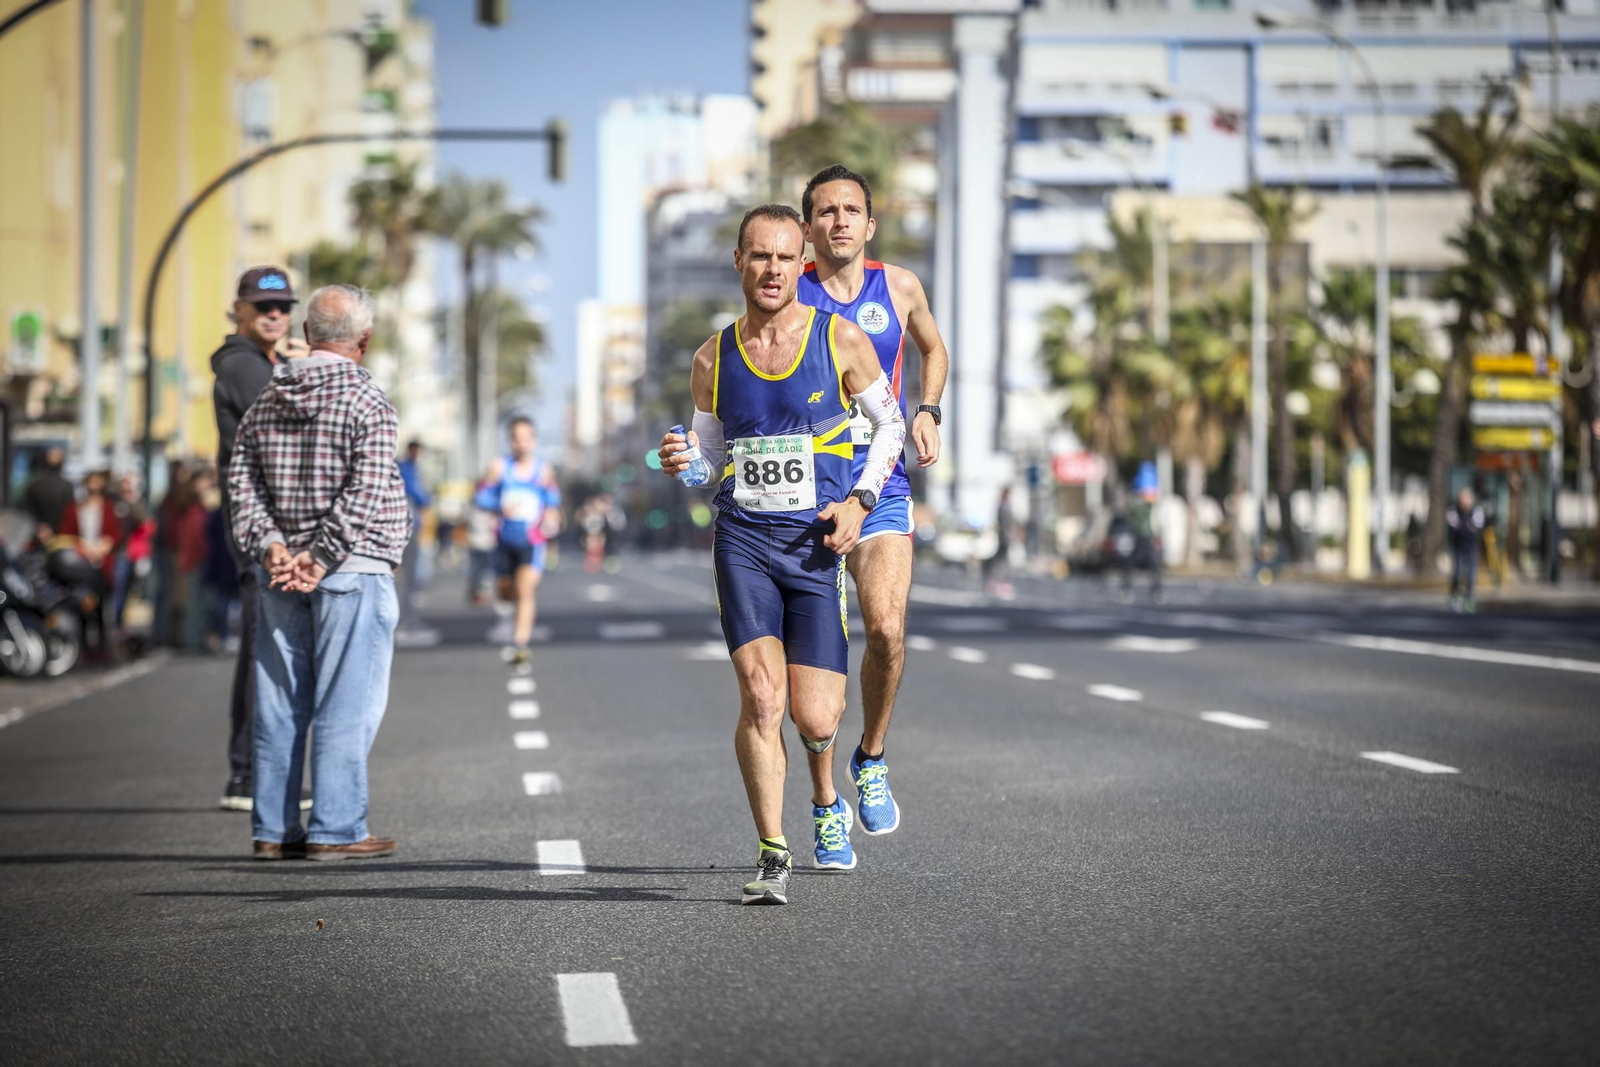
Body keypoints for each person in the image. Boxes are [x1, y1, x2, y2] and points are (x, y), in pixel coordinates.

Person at [658, 203, 906, 905]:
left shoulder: (841, 339)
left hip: (814, 545)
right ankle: (773, 850)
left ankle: (828, 797)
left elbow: (887, 428)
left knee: (818, 717)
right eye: (757, 256)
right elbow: (709, 458)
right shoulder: (713, 356)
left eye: (783, 257)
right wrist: (686, 463)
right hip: (744, 541)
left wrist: (860, 499)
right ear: (738, 263)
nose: (771, 270)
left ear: (803, 264)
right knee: (762, 697)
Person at [228, 283, 410, 861]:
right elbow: (368, 488)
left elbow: (241, 484)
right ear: (364, 340)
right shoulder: (368, 402)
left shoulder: (265, 400)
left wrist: (272, 547)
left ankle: (274, 832)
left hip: (280, 574)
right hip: (352, 569)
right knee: (345, 700)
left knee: (278, 702)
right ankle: (336, 828)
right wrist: (323, 556)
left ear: (306, 334)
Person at [794, 164, 950, 838]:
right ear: (808, 227)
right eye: (825, 211)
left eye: (850, 209)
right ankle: (825, 800)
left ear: (870, 223)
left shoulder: (901, 286)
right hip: (807, 492)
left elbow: (934, 348)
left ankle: (873, 756)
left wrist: (929, 409)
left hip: (882, 480)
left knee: (885, 628)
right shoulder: (788, 292)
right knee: (818, 662)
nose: (839, 221)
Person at [212, 265, 307, 812]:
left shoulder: (263, 362)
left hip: (271, 522)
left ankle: (252, 772)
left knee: (267, 640)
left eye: (284, 306)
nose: (275, 315)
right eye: (263, 306)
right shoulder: (243, 366)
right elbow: (287, 419)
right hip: (256, 525)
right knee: (261, 641)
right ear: (240, 310)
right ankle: (246, 774)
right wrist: (303, 369)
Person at [475, 417, 562, 671]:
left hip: (532, 540)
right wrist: (499, 505)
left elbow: (553, 499)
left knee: (525, 590)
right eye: (517, 438)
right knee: (505, 591)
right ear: (510, 440)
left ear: (533, 440)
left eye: (526, 438)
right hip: (504, 540)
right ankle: (512, 624)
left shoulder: (543, 470)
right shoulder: (499, 468)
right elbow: (481, 497)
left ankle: (519, 644)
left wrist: (551, 514)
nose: (522, 443)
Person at [58, 469, 124, 660]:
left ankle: (103, 648)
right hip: (81, 564)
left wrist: (105, 545)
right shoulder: (74, 508)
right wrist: (83, 547)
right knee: (84, 607)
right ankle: (86, 649)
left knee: (103, 607)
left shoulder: (109, 508)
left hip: (102, 564)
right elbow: (67, 535)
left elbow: (115, 533)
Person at [395, 440, 434, 638]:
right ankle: (405, 620)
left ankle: (405, 618)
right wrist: (426, 501)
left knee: (406, 576)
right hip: (406, 528)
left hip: (404, 528)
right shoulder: (407, 469)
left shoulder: (405, 467)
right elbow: (420, 496)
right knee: (410, 576)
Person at [1121, 462, 1164, 601]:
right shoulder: (1139, 506)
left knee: (1152, 565)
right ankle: (1129, 589)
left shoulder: (1147, 505)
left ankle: (1155, 590)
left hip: (1147, 538)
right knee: (1138, 565)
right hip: (1142, 538)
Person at [1446, 487, 1486, 614]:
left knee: (1470, 574)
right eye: (1462, 500)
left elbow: (1477, 529)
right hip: (1457, 546)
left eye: (1467, 500)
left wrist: (1464, 528)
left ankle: (1469, 598)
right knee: (1457, 572)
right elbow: (1454, 529)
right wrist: (1467, 527)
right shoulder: (1453, 511)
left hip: (1471, 546)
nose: (1465, 503)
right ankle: (1455, 597)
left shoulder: (1476, 511)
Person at [21, 447, 74, 543]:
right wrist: (41, 527)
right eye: (53, 455)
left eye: (57, 456)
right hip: (41, 534)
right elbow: (29, 510)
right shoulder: (35, 485)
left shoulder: (66, 485)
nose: (55, 458)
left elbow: (69, 511)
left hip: (59, 535)